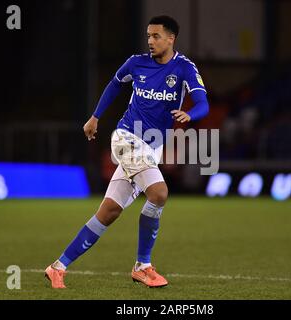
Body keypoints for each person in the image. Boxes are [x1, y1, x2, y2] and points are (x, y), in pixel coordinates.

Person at [45, 15, 209, 288]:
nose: (150, 41)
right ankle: (142, 265)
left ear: (171, 38)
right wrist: (95, 117)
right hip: (126, 139)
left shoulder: (184, 68)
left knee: (108, 212)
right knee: (159, 193)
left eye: (156, 36)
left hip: (151, 149)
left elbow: (203, 103)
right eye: (148, 36)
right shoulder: (136, 62)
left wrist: (190, 115)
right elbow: (114, 84)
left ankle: (57, 267)